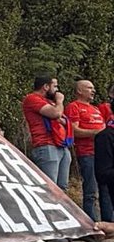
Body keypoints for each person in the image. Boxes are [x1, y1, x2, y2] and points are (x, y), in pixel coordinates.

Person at [65, 80, 109, 222]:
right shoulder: (74, 106)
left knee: (106, 189)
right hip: (87, 153)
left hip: (102, 154)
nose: (93, 91)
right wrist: (96, 133)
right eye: (89, 88)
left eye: (93, 88)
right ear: (79, 90)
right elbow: (73, 130)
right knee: (91, 190)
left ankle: (108, 222)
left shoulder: (95, 109)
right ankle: (91, 222)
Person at [22, 75, 72, 189]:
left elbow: (64, 120)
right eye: (55, 86)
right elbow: (56, 114)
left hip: (61, 144)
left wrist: (58, 113)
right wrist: (59, 101)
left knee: (62, 187)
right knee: (50, 187)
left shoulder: (49, 101)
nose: (57, 90)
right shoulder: (32, 99)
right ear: (45, 87)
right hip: (46, 145)